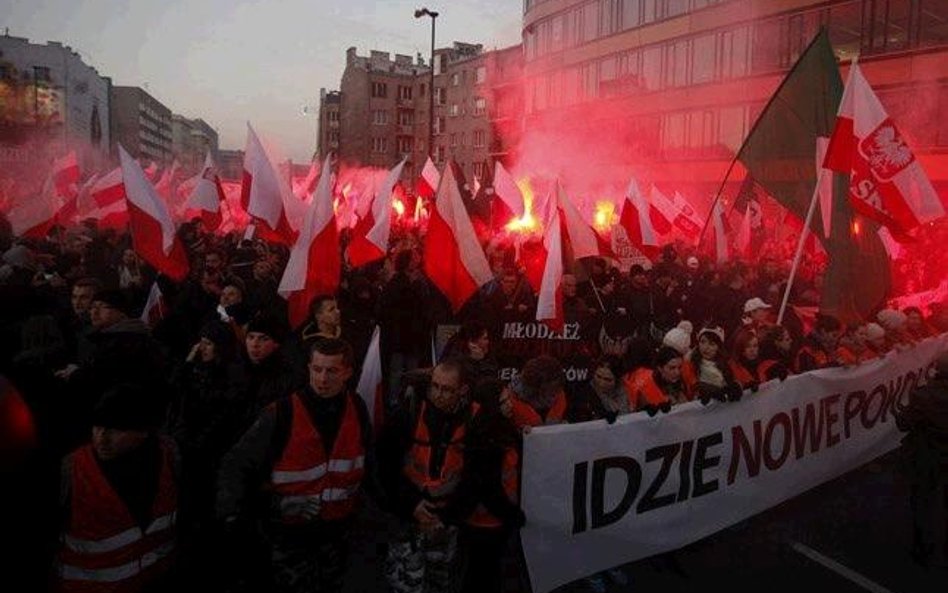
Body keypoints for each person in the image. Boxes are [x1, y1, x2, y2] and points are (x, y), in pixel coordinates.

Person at [217, 338, 376, 593]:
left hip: (337, 531)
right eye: (317, 369)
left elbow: (368, 461)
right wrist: (256, 511)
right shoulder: (281, 413)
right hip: (289, 535)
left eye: (332, 371)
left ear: (348, 372)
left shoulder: (356, 407)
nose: (322, 379)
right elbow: (236, 465)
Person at [54, 384, 178, 593]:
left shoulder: (170, 457)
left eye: (114, 429)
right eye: (97, 427)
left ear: (141, 432)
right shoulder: (72, 469)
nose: (102, 438)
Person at [380, 359, 479, 593]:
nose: (438, 394)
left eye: (447, 389)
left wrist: (447, 516)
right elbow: (384, 465)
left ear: (463, 390)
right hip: (410, 517)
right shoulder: (408, 413)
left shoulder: (475, 419)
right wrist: (410, 505)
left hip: (447, 521)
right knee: (406, 585)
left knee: (440, 583)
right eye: (435, 386)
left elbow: (475, 477)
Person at [547, 356, 630, 423]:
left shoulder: (627, 393)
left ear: (618, 380)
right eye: (598, 377)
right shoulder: (582, 393)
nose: (601, 383)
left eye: (607, 380)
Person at [682, 326, 742, 403]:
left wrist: (737, 386)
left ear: (719, 348)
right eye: (703, 342)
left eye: (712, 344)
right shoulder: (690, 363)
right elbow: (692, 384)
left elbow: (740, 379)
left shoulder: (727, 364)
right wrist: (707, 389)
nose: (706, 347)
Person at [627, 346, 689, 413]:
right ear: (660, 368)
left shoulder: (680, 381)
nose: (677, 372)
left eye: (679, 367)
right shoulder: (645, 389)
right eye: (672, 368)